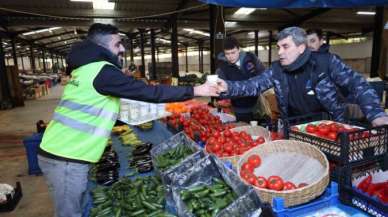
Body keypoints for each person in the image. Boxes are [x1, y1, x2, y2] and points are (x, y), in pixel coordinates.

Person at [37, 23, 217, 217]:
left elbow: (98, 105)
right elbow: (149, 92)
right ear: (102, 47)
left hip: (64, 151)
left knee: (80, 207)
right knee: (69, 213)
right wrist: (196, 90)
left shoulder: (86, 68)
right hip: (66, 158)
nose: (122, 48)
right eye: (117, 44)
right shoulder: (102, 71)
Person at [216, 27, 388, 127]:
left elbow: (358, 84)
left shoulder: (325, 63)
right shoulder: (277, 69)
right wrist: (227, 87)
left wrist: (375, 114)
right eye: (278, 47)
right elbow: (253, 85)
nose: (280, 52)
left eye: (285, 46)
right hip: (295, 127)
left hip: (329, 127)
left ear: (301, 48)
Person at [216, 37, 266, 122]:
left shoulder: (251, 58)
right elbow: (222, 91)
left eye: (233, 52)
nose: (230, 56)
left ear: (239, 49)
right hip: (239, 109)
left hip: (258, 106)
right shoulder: (222, 68)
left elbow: (263, 75)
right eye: (227, 54)